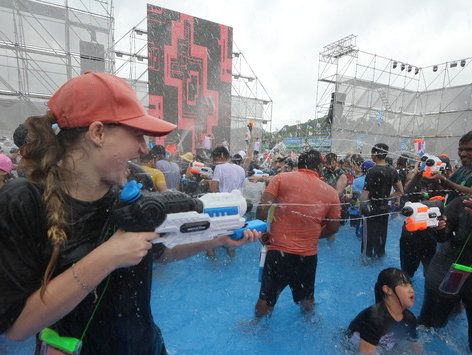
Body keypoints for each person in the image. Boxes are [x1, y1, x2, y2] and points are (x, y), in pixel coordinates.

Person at [0, 72, 261, 354]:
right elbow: (17, 327)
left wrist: (216, 239)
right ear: (97, 133)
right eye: (137, 135)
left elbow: (160, 251)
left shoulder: (132, 186)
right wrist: (109, 256)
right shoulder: (24, 201)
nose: (142, 149)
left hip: (147, 346)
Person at [255, 149, 341, 316]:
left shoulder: (281, 178)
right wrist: (312, 235)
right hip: (307, 256)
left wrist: (267, 232)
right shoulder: (330, 192)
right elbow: (333, 228)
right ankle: (310, 326)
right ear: (320, 167)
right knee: (307, 301)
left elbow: (262, 212)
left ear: (299, 164)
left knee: (265, 300)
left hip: (278, 252)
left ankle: (255, 328)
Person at [419, 195, 472, 351]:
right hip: (447, 270)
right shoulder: (461, 203)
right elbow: (443, 236)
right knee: (429, 325)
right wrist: (439, 227)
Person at [347, 268, 419, 354]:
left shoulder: (410, 319)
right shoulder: (374, 319)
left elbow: (416, 348)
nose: (411, 290)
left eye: (411, 285)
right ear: (388, 290)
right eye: (404, 285)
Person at [360, 143, 404, 258]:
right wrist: (386, 198)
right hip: (384, 209)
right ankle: (379, 254)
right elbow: (400, 191)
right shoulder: (392, 171)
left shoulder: (371, 171)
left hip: (371, 209)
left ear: (375, 154)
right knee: (381, 234)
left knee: (368, 236)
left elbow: (365, 194)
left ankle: (367, 257)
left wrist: (361, 207)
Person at [423, 131, 472, 205]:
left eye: (469, 150)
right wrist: (437, 179)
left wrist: (445, 180)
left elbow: (470, 192)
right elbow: (447, 187)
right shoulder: (462, 169)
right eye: (460, 150)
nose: (462, 154)